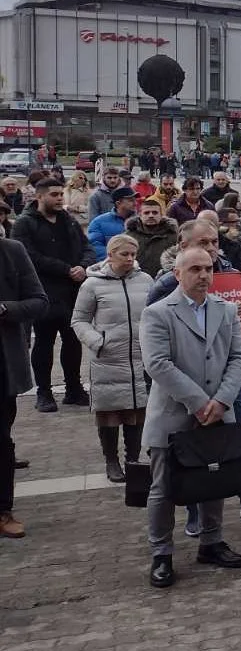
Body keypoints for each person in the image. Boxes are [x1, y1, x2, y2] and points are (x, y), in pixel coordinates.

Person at [140, 246, 241, 588]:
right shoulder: (158, 313)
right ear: (177, 273)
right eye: (195, 269)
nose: (204, 275)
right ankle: (161, 552)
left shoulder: (226, 310)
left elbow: (238, 357)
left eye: (208, 269)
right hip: (173, 414)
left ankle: (211, 542)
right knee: (162, 488)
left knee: (213, 480)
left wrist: (221, 401)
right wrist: (199, 402)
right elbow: (157, 364)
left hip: (218, 412)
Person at [70, 234, 154, 484]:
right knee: (109, 414)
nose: (129, 259)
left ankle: (133, 458)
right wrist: (97, 341)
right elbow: (79, 320)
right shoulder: (92, 285)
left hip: (140, 356)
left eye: (133, 254)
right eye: (124, 254)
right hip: (108, 358)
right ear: (110, 254)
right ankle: (111, 460)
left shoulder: (146, 280)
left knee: (137, 412)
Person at [12, 177, 96, 411]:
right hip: (43, 293)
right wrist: (66, 269)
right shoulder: (25, 223)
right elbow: (29, 257)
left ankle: (73, 389)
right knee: (44, 344)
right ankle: (44, 393)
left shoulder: (67, 220)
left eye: (61, 194)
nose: (60, 198)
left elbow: (86, 246)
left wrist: (84, 266)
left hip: (72, 292)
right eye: (54, 195)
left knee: (72, 342)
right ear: (39, 197)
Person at [1, 235, 48, 538]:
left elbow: (39, 302)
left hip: (2, 368)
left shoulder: (11, 251)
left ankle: (3, 509)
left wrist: (5, 309)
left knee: (1, 441)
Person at [127, 197, 180, 278]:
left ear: (161, 215)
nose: (151, 215)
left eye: (155, 213)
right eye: (146, 213)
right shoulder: (128, 237)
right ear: (140, 215)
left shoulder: (174, 236)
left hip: (165, 280)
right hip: (136, 280)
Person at [88, 186, 138, 260]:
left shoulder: (141, 221)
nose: (135, 203)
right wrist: (116, 260)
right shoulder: (99, 222)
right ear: (118, 203)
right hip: (109, 267)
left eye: (135, 200)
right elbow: (95, 246)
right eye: (131, 200)